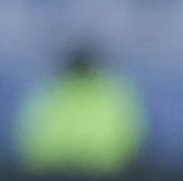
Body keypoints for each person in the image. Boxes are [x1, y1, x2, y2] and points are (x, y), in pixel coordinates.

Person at [15, 42, 144, 171]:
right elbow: (30, 139)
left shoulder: (49, 91)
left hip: (100, 174)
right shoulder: (114, 92)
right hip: (59, 174)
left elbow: (130, 140)